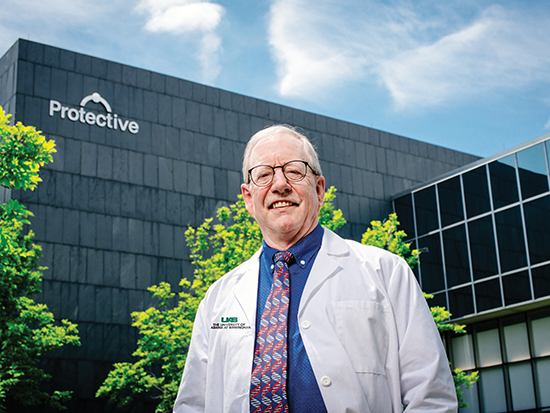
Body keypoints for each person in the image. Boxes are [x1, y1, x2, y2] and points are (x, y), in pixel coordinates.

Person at [173, 124, 457, 413]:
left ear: (319, 189)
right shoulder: (218, 299)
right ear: (248, 198)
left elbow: (431, 397)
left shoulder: (386, 272)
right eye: (263, 175)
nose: (279, 184)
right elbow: (192, 404)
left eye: (294, 171)